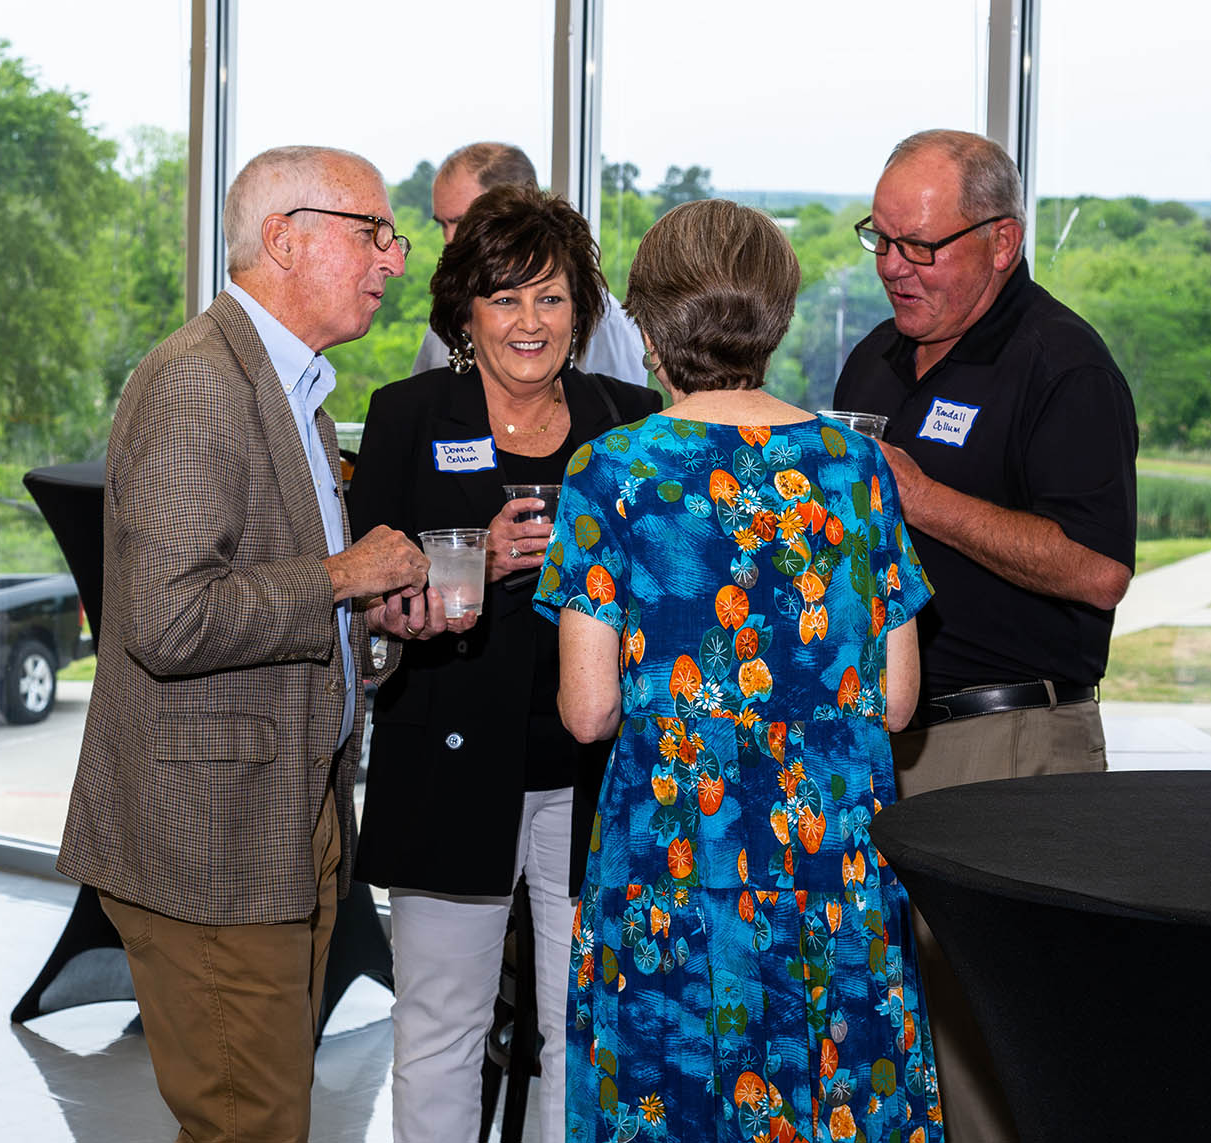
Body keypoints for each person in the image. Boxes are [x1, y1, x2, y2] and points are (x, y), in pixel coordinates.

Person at [55, 145, 467, 1143]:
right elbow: (167, 620)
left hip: (290, 813)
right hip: (211, 834)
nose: (393, 260)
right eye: (372, 232)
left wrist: (376, 626)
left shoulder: (299, 392)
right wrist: (343, 577)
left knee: (270, 1111)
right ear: (286, 237)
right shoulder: (199, 383)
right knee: (252, 1123)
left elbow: (289, 609)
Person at [537, 199, 942, 1143]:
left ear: (644, 324)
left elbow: (590, 711)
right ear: (782, 315)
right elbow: (896, 696)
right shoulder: (854, 466)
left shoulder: (615, 471)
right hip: (831, 866)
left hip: (674, 875)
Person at [834, 129, 1139, 1142]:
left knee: (1008, 1050)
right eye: (882, 241)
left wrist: (929, 501)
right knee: (905, 1039)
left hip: (1010, 749)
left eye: (922, 247)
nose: (893, 268)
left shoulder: (1062, 365)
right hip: (890, 742)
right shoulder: (873, 358)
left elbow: (1097, 572)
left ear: (1001, 241)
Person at [348, 184, 660, 1143]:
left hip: (595, 766)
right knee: (441, 1024)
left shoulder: (632, 419)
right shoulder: (405, 414)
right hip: (447, 758)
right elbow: (371, 603)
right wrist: (467, 563)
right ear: (465, 315)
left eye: (552, 297)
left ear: (581, 313)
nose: (530, 321)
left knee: (588, 1025)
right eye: (505, 297)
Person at [410, 141, 649, 386]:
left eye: (465, 220)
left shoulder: (599, 317)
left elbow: (621, 417)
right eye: (442, 224)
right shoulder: (454, 310)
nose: (450, 240)